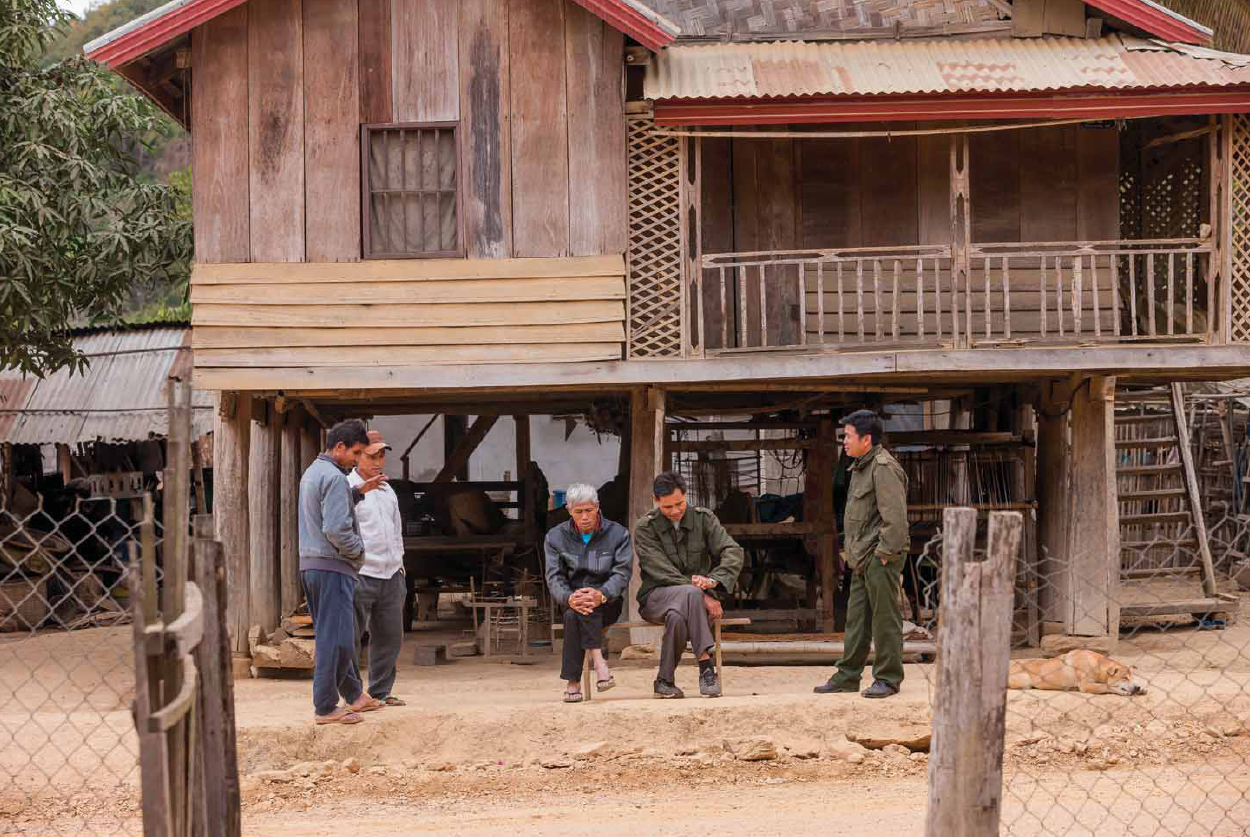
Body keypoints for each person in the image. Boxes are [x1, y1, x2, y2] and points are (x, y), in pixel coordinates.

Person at [814, 409, 910, 699]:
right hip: (862, 557)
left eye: (848, 436)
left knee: (885, 618)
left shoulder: (883, 467)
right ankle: (848, 675)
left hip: (879, 556)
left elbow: (895, 520)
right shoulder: (860, 466)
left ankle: (888, 678)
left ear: (866, 439)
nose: (844, 441)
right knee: (856, 619)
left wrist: (883, 554)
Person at [298, 418, 386, 725]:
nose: (358, 459)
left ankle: (353, 694)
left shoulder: (314, 472)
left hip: (313, 565)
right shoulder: (335, 478)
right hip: (332, 566)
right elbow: (335, 529)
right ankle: (325, 707)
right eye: (356, 452)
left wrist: (358, 492)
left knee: (340, 636)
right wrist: (359, 553)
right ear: (339, 447)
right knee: (334, 639)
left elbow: (326, 509)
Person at [635, 471, 743, 699]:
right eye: (667, 507)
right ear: (656, 500)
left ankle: (664, 682)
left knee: (677, 617)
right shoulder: (645, 527)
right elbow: (660, 570)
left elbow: (732, 551)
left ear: (686, 495)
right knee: (691, 594)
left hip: (689, 603)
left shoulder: (704, 519)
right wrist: (703, 594)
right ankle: (706, 667)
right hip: (656, 598)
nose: (674, 512)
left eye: (679, 504)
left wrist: (713, 580)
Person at [543, 483, 632, 703]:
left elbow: (621, 574)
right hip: (571, 602)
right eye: (578, 512)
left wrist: (600, 594)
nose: (584, 517)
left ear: (597, 507)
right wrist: (569, 597)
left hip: (607, 602)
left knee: (580, 611)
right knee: (576, 610)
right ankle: (599, 661)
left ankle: (572, 683)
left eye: (589, 511)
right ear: (569, 511)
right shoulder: (555, 537)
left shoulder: (618, 533)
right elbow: (554, 577)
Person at [348, 430, 408, 708]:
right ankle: (352, 695)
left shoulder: (387, 489)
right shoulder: (347, 487)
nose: (378, 461)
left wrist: (400, 565)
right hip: (362, 574)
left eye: (382, 455)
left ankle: (381, 692)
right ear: (357, 455)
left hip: (391, 574)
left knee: (389, 637)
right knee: (351, 637)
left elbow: (396, 530)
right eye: (373, 455)